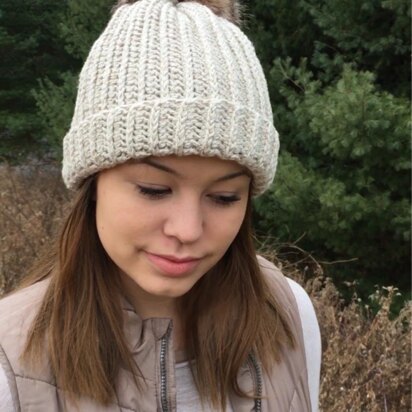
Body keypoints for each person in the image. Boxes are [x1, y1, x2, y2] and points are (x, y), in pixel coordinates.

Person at [0, 0, 321, 410]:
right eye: (154, 189)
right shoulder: (10, 364)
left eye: (225, 197)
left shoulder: (290, 315)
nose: (187, 230)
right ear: (93, 182)